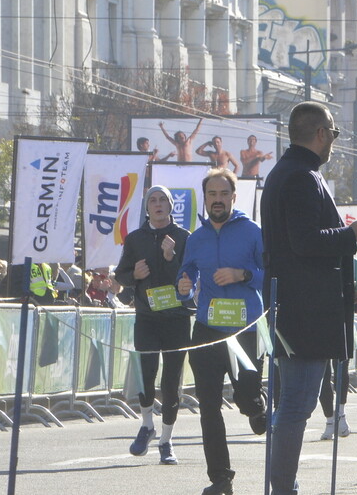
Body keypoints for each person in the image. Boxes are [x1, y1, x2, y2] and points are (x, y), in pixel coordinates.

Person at [260, 100, 357, 495]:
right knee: (296, 405)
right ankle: (283, 488)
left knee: (292, 403)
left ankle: (283, 485)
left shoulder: (287, 172)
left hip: (295, 305)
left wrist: (346, 280)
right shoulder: (300, 177)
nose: (334, 142)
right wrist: (350, 235)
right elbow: (304, 242)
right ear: (321, 133)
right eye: (334, 133)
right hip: (304, 311)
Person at [177, 168, 266, 495]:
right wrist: (184, 287)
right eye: (211, 194)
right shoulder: (196, 238)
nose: (217, 200)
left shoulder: (252, 231)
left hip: (245, 328)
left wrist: (243, 274)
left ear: (233, 197)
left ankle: (255, 407)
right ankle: (221, 479)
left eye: (222, 194)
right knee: (209, 405)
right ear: (206, 198)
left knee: (244, 398)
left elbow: (270, 274)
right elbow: (184, 280)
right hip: (207, 329)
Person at [114, 185, 192, 465]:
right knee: (146, 374)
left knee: (171, 383)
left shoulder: (184, 238)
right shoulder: (135, 238)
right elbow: (121, 274)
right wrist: (133, 275)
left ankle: (167, 441)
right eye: (153, 201)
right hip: (146, 318)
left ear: (171, 206)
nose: (158, 205)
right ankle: (147, 425)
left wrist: (172, 260)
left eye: (163, 200)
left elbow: (190, 278)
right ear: (147, 208)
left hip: (177, 319)